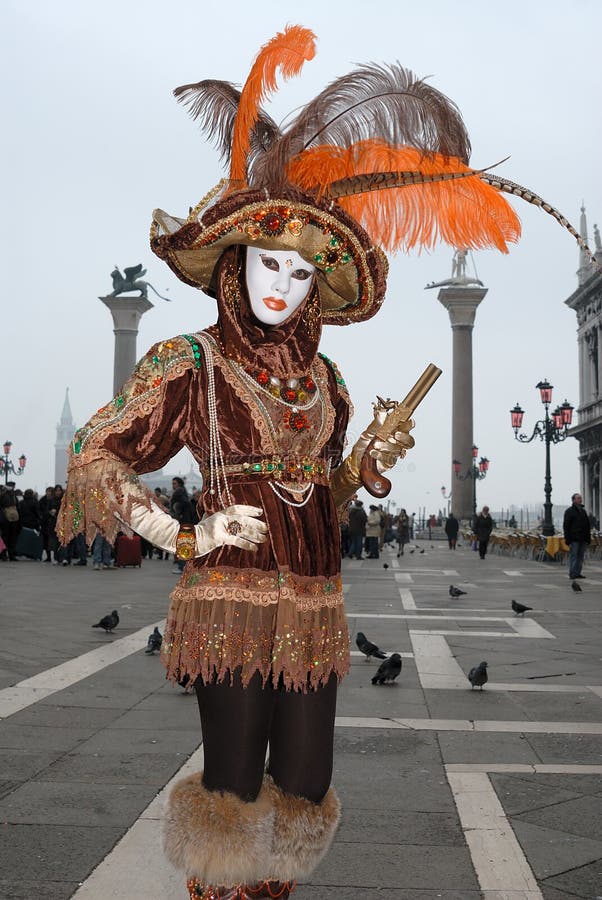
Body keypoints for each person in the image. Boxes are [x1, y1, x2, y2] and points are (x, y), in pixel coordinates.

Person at [57, 25, 544, 900]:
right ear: (233, 268)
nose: (280, 285)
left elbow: (326, 488)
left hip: (316, 605)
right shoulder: (191, 364)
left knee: (307, 787)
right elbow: (97, 454)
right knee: (234, 792)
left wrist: (363, 463)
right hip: (229, 600)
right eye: (265, 264)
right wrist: (185, 530)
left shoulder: (328, 380)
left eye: (299, 272)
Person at [563, 492, 591, 580]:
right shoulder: (569, 511)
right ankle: (572, 573)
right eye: (578, 498)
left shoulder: (583, 511)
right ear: (574, 500)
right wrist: (567, 539)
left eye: (580, 498)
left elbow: (587, 525)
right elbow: (566, 526)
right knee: (574, 556)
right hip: (574, 538)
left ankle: (578, 572)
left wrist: (588, 538)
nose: (580, 500)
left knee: (581, 557)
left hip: (582, 538)